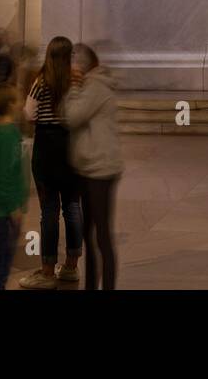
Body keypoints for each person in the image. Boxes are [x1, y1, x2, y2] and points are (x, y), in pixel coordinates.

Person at [18, 36, 83, 289]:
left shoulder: (41, 81)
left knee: (49, 211)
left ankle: (46, 271)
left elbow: (29, 113)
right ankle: (71, 266)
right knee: (73, 207)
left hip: (46, 149)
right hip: (71, 148)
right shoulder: (76, 82)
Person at [64, 43, 123, 290]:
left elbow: (71, 117)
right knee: (89, 235)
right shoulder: (91, 85)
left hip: (100, 168)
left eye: (73, 61)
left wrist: (72, 88)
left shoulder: (94, 86)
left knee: (102, 237)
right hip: (89, 166)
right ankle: (90, 285)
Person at [0, 84, 28, 289]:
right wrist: (13, 206)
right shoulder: (7, 135)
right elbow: (5, 175)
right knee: (1, 261)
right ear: (10, 105)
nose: (21, 103)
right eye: (18, 99)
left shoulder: (0, 132)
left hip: (0, 206)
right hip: (4, 209)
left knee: (2, 258)